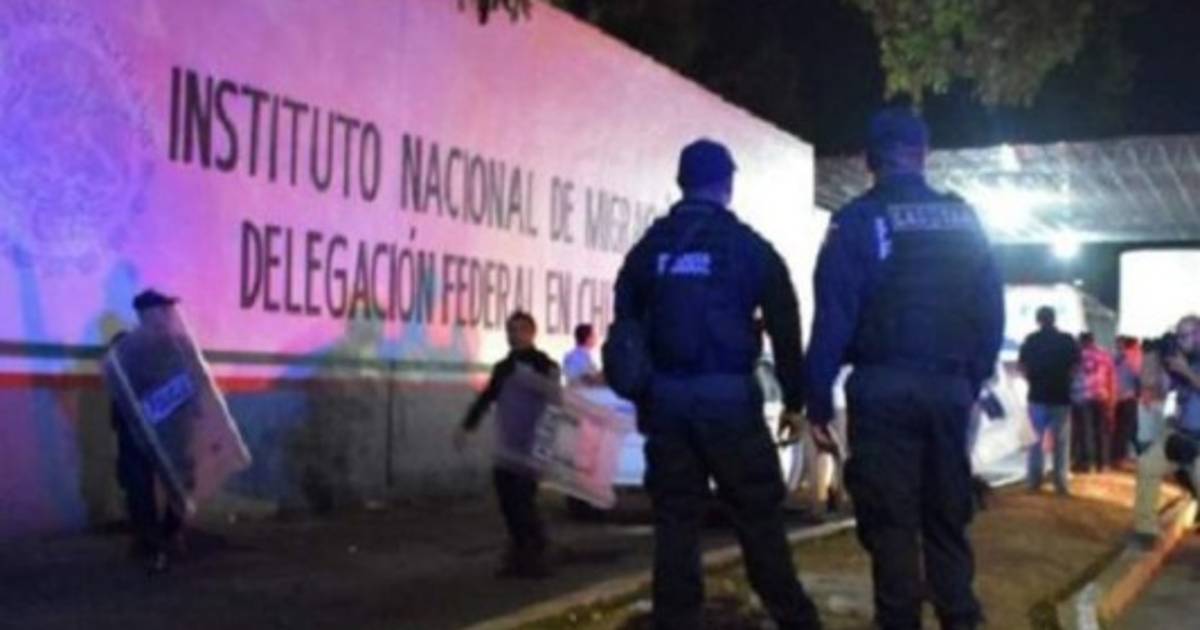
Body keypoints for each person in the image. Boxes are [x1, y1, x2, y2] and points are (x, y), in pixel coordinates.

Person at [805, 107, 1004, 630]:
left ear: (870, 161)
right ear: (924, 156)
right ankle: (960, 618)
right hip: (948, 389)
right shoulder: (965, 220)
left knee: (891, 522)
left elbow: (833, 317)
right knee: (946, 517)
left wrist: (817, 400)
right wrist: (969, 379)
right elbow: (991, 311)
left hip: (883, 390)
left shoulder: (857, 220)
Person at [614, 138, 821, 629]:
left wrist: (645, 395)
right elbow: (786, 323)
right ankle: (795, 620)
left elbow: (626, 329)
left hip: (668, 403)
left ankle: (676, 621)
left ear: (681, 182)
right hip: (729, 402)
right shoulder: (748, 247)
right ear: (727, 185)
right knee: (759, 520)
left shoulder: (649, 249)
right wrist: (795, 400)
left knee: (676, 525)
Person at [455, 311, 560, 578]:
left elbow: (555, 404)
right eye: (510, 330)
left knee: (524, 502)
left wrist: (547, 445)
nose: (513, 336)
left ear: (531, 333)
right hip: (507, 446)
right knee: (508, 502)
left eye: (519, 330)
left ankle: (535, 552)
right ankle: (521, 551)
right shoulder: (504, 368)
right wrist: (468, 425)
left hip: (532, 446)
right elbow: (487, 397)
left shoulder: (544, 365)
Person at [111, 289, 187, 574]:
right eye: (163, 310)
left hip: (170, 426)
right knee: (138, 486)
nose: (168, 315)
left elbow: (187, 381)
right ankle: (149, 541)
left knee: (181, 482)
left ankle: (169, 533)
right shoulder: (124, 346)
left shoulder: (176, 344)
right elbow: (121, 386)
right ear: (147, 314)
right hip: (136, 428)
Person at [1132, 316, 1200, 545]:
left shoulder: (1186, 365)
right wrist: (1151, 356)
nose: (1181, 340)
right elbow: (1153, 387)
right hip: (1181, 434)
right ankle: (1145, 531)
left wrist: (1186, 371)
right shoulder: (1181, 363)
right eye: (1179, 336)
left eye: (1186, 335)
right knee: (1147, 465)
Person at [1017, 306, 1081, 495]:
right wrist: (1067, 380)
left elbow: (1021, 365)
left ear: (1038, 320)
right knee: (1061, 442)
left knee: (1035, 441)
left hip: (1036, 395)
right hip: (1061, 396)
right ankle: (1061, 483)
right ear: (1054, 319)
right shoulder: (1067, 340)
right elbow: (1076, 366)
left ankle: (1034, 481)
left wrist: (1031, 379)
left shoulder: (1031, 340)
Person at [1076, 332, 1117, 473]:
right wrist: (1112, 398)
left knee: (1087, 431)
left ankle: (1090, 464)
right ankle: (1104, 464)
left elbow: (1072, 376)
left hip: (1084, 396)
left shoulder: (1078, 355)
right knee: (1102, 431)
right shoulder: (1105, 355)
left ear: (1082, 341)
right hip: (1102, 396)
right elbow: (1112, 377)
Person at [1111, 336, 1142, 467]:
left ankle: (1117, 457)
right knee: (1127, 429)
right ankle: (1122, 458)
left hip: (1117, 399)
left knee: (1119, 429)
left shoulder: (1113, 358)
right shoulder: (1133, 357)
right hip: (1128, 398)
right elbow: (1137, 377)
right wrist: (1139, 393)